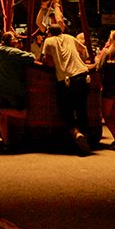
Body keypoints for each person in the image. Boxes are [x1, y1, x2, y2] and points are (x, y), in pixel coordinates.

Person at [41, 22, 93, 155]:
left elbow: (46, 60)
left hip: (66, 79)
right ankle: (85, 137)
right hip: (83, 75)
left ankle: (76, 133)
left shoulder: (49, 40)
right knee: (81, 108)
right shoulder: (70, 37)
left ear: (49, 33)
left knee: (66, 109)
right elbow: (84, 51)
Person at [0, 31, 37, 111]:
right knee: (19, 110)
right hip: (13, 89)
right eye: (15, 39)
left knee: (4, 111)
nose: (17, 41)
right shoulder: (13, 52)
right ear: (11, 41)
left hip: (0, 88)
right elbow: (31, 57)